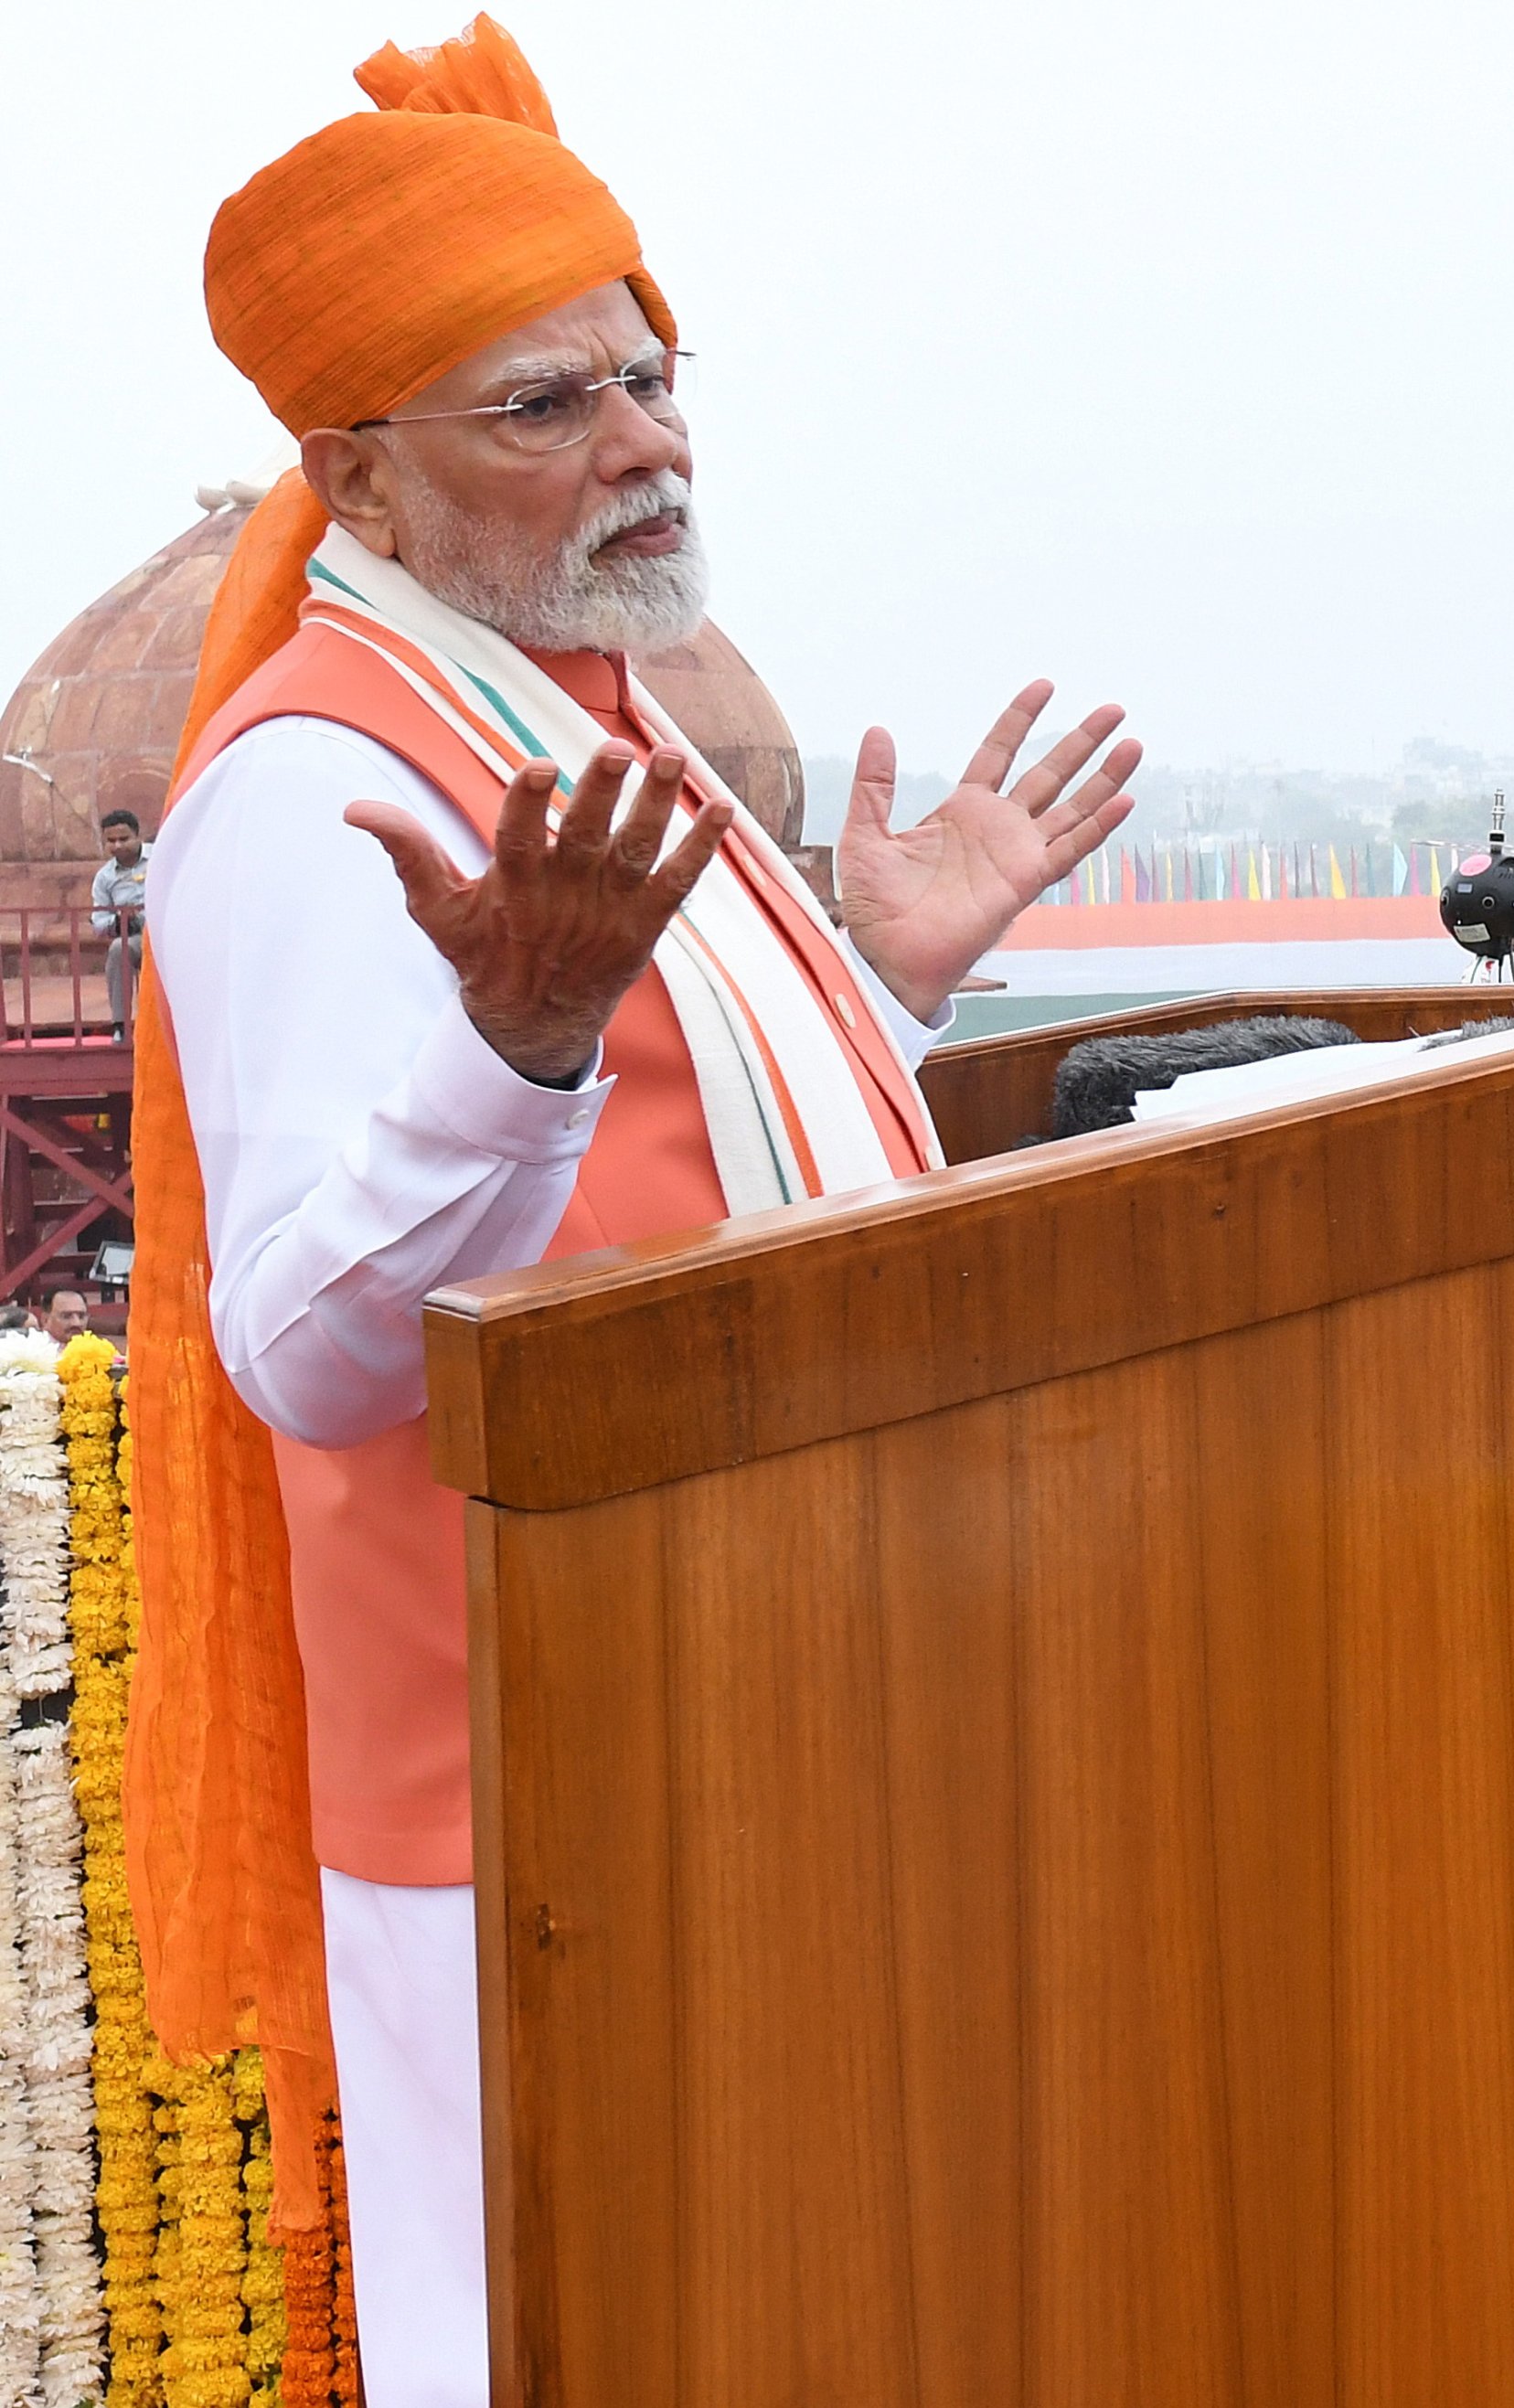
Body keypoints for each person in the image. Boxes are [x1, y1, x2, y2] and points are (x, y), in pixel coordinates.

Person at [127, 23, 1138, 2404]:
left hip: (779, 1710)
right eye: (547, 406)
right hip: (542, 1798)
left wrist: (880, 981)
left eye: (651, 377)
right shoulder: (306, 788)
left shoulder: (584, 713)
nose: (646, 441)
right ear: (359, 468)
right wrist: (516, 1049)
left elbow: (685, 1185)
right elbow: (308, 1343)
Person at [89, 809, 147, 1035]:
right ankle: (121, 1025)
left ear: (137, 836)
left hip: (169, 934)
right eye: (111, 841)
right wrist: (119, 921)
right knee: (118, 949)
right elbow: (98, 922)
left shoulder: (161, 857)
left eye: (124, 839)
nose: (118, 846)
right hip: (136, 936)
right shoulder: (105, 878)